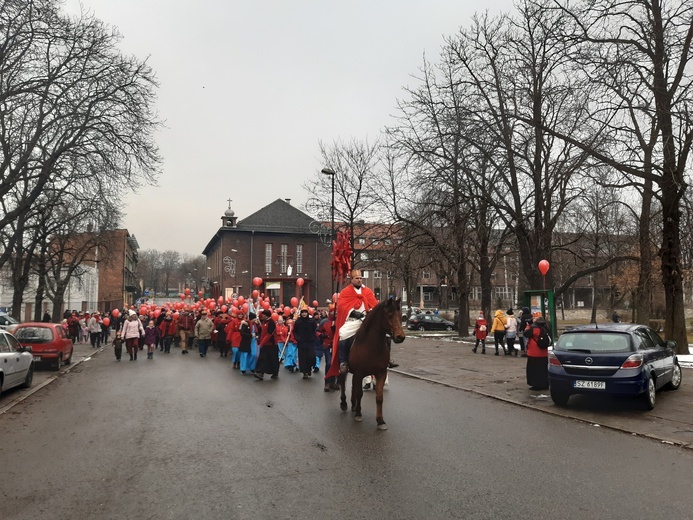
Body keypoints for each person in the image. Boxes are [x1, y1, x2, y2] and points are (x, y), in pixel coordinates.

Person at [326, 269, 379, 379]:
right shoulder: (346, 291)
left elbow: (374, 305)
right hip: (353, 321)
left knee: (384, 334)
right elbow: (341, 306)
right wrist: (353, 312)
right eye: (357, 278)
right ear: (352, 279)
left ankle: (385, 359)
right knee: (343, 334)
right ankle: (344, 362)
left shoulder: (368, 291)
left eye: (360, 278)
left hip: (367, 320)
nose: (359, 280)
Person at [523, 312, 550, 390]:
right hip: (543, 352)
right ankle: (545, 384)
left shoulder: (533, 327)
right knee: (543, 370)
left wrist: (528, 325)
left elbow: (525, 334)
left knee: (534, 370)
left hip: (534, 352)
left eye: (534, 318)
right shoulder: (546, 326)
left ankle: (536, 385)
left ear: (536, 319)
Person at [254, 310, 279, 380]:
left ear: (267, 315)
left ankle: (275, 373)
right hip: (265, 344)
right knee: (262, 358)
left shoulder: (271, 323)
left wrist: (262, 343)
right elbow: (261, 331)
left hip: (272, 344)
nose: (262, 316)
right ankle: (260, 372)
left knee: (273, 359)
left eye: (264, 315)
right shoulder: (264, 322)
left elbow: (269, 334)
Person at [293, 308, 317, 379]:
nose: (304, 314)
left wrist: (313, 337)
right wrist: (297, 338)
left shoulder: (311, 321)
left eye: (305, 312)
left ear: (307, 313)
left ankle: (309, 368)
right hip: (301, 342)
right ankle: (304, 372)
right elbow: (295, 331)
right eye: (302, 312)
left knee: (311, 356)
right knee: (303, 358)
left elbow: (315, 330)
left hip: (310, 342)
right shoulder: (298, 322)